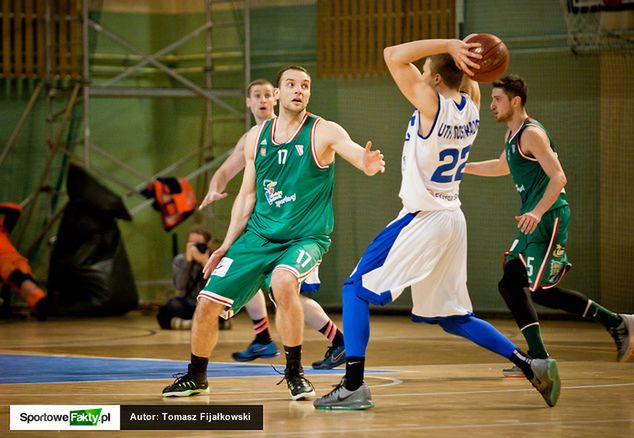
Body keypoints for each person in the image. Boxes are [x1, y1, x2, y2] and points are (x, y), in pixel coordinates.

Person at [314, 38, 561, 411]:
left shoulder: (433, 107)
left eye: (425, 72)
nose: (419, 75)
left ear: (433, 81)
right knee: (452, 316)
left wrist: (449, 43)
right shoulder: (473, 106)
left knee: (354, 290)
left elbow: (391, 55)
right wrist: (465, 59)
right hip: (451, 219)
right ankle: (531, 365)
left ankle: (352, 385)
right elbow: (459, 78)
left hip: (423, 217)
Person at [162, 65, 385, 400]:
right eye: (292, 84)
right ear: (279, 93)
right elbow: (247, 196)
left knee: (283, 283)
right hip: (258, 236)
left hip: (304, 237)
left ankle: (295, 373)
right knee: (206, 303)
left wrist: (364, 162)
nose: (299, 90)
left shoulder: (322, 131)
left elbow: (351, 150)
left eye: (306, 85)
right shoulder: (256, 138)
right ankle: (197, 375)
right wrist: (226, 245)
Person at [462, 74, 633, 376]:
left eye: (497, 99)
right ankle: (537, 356)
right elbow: (503, 166)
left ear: (515, 101)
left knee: (542, 292)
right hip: (533, 218)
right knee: (510, 283)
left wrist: (538, 212)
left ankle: (618, 323)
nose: (491, 105)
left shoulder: (532, 134)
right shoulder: (513, 135)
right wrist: (463, 168)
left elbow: (559, 177)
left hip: (549, 215)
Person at [199, 78, 346, 369]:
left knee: (285, 294)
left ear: (277, 96)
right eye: (258, 95)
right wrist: (215, 186)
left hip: (298, 232)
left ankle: (328, 343)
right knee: (265, 288)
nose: (264, 99)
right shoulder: (254, 137)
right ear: (249, 102)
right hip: (264, 232)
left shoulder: (305, 131)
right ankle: (266, 337)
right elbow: (227, 171)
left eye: (268, 94)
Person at [156, 225, 231, 330]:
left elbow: (221, 287)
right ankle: (210, 325)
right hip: (188, 304)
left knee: (227, 309)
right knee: (170, 306)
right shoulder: (180, 260)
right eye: (191, 244)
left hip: (210, 304)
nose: (195, 247)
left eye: (198, 244)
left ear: (208, 244)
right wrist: (188, 262)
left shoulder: (218, 260)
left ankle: (186, 324)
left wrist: (205, 263)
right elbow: (179, 286)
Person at [0, 202, 48, 320]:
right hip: (9, 264)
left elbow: (15, 210)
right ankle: (41, 304)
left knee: (22, 282)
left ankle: (40, 305)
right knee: (21, 282)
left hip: (12, 262)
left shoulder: (2, 229)